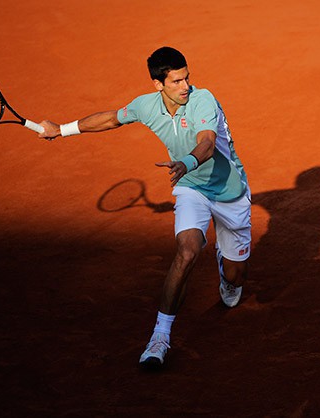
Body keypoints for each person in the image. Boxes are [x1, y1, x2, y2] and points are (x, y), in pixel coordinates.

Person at [38, 47, 251, 369]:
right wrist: (62, 129)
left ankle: (226, 266)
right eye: (177, 81)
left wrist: (186, 161)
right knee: (187, 251)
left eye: (187, 77)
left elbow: (206, 142)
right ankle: (159, 338)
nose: (185, 86)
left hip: (229, 191)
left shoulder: (203, 99)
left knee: (235, 281)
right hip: (191, 187)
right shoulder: (145, 106)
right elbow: (110, 119)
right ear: (158, 84)